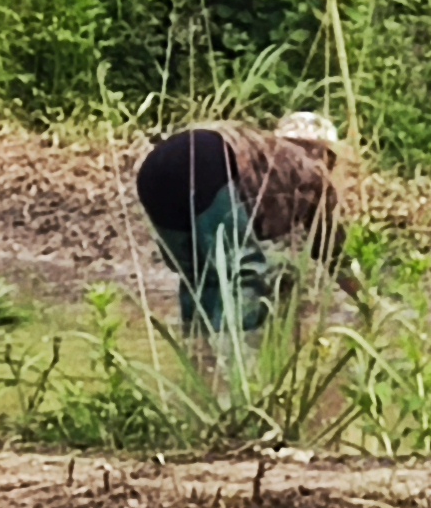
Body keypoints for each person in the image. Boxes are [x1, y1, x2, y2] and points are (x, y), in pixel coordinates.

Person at [134, 111, 347, 353]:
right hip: (207, 163)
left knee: (197, 276)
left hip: (154, 169)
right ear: (325, 152)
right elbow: (333, 251)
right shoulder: (312, 168)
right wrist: (366, 301)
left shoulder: (262, 151)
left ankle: (198, 358)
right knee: (244, 272)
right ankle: (237, 363)